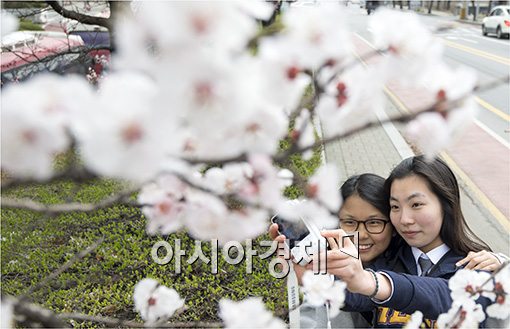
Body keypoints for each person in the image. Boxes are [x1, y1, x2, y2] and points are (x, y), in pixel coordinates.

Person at [269, 170, 501, 327]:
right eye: (349, 222)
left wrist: (501, 264)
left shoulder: (467, 266)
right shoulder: (337, 271)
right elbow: (352, 296)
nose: (360, 235)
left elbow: (447, 295)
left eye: (374, 222)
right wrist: (315, 280)